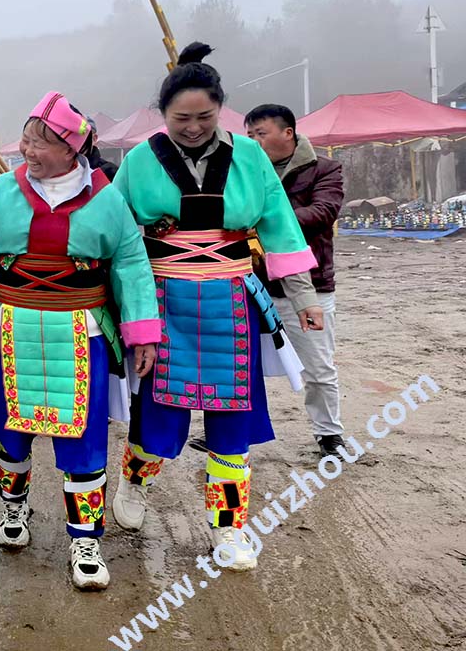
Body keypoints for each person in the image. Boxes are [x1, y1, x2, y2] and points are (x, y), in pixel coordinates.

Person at [111, 43, 321, 571]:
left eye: (205, 116)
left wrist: (305, 300)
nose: (193, 127)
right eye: (181, 118)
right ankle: (134, 485)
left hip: (232, 302)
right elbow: (111, 230)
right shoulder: (138, 160)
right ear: (163, 115)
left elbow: (281, 229)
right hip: (164, 303)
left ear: (221, 110)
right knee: (156, 414)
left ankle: (229, 530)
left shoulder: (249, 157)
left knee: (233, 423)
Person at [0, 91, 159, 590]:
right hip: (11, 327)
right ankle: (14, 511)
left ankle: (84, 540)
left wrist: (142, 332)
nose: (28, 149)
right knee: (11, 431)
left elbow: (130, 264)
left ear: (72, 150)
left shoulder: (107, 199)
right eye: (25, 138)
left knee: (83, 440)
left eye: (40, 142)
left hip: (80, 330)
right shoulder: (3, 190)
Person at [244, 104, 345, 458]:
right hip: (253, 285)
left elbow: (323, 213)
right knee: (239, 364)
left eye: (262, 133)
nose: (254, 141)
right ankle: (234, 432)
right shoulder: (244, 172)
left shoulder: (324, 169)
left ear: (288, 133)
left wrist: (269, 219)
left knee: (318, 366)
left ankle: (329, 433)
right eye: (250, 134)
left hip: (310, 287)